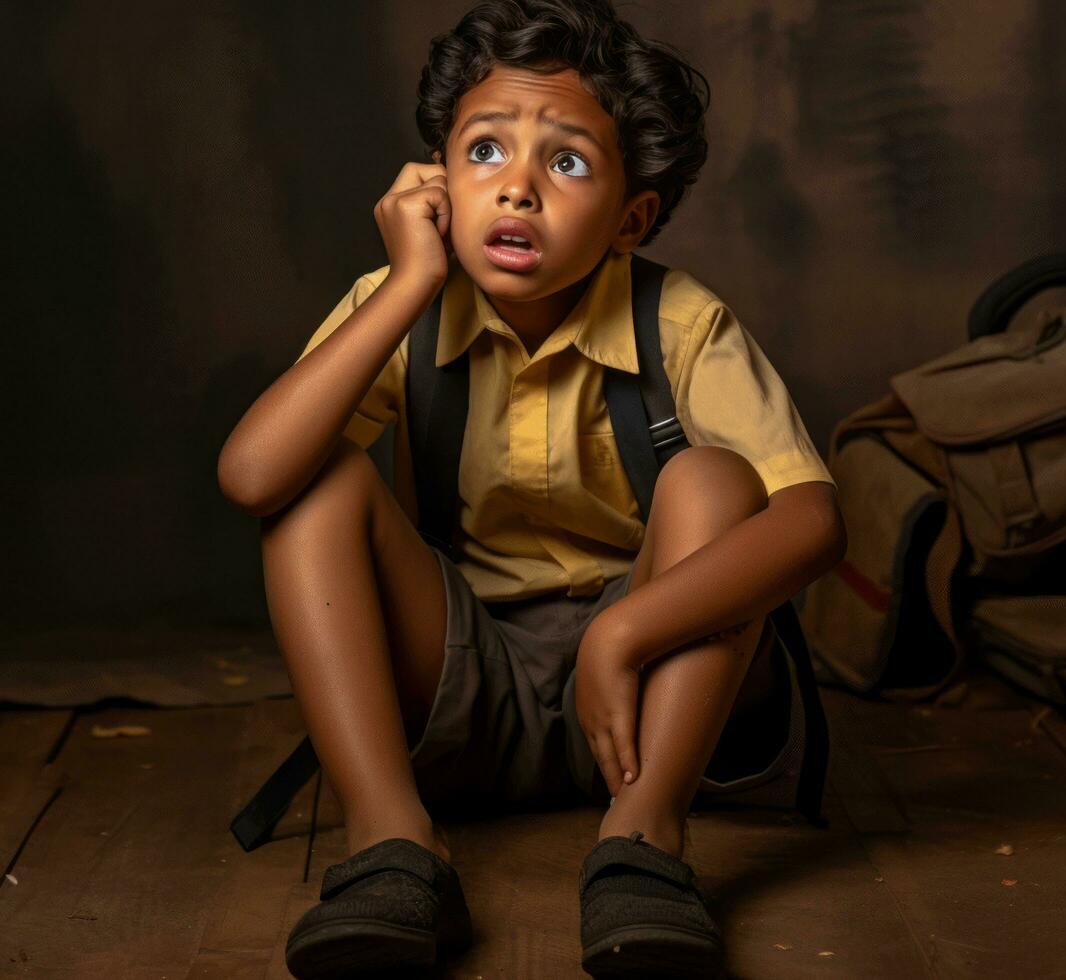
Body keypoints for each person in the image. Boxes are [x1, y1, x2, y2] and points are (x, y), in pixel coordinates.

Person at [217, 0, 845, 976]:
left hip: (647, 689)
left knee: (714, 478)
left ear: (630, 217)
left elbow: (813, 522)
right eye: (482, 153)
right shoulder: (402, 306)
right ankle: (390, 840)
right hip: (464, 687)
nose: (514, 189)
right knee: (313, 475)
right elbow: (252, 475)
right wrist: (406, 282)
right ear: (433, 185)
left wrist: (621, 630)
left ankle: (642, 842)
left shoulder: (677, 319)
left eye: (564, 162)